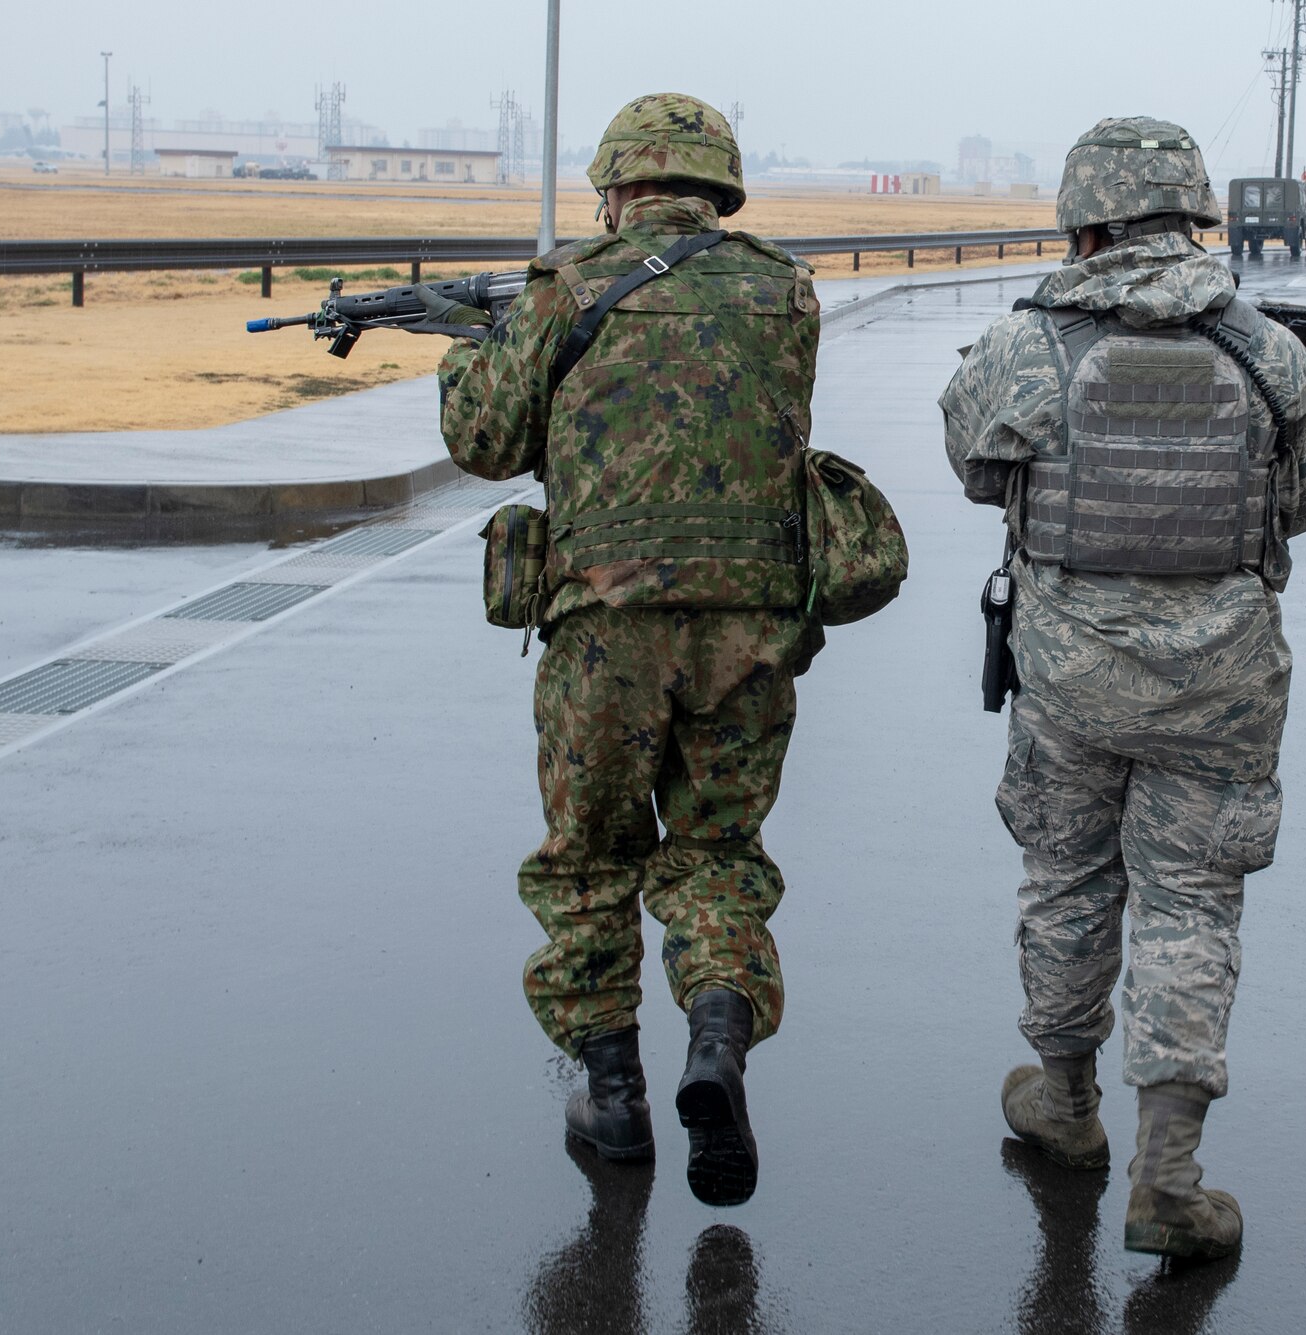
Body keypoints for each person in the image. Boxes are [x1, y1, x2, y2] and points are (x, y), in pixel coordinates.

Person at [939, 116, 1306, 1260]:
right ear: (1191, 217)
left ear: (1085, 222)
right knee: (1189, 905)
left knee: (1066, 881)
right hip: (1221, 688)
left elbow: (975, 468)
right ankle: (1168, 1180)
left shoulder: (1030, 346)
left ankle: (1065, 1109)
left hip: (1067, 681)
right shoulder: (1262, 349)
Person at [434, 92, 821, 1208]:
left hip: (602, 628)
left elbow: (484, 439)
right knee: (714, 851)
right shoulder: (785, 290)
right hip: (748, 625)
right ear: (719, 188)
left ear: (613, 190)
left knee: (590, 855)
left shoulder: (564, 289)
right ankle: (715, 1037)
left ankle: (614, 1099)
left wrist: (479, 348)